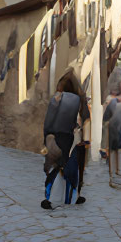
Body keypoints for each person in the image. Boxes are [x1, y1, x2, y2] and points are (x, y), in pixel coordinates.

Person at [41, 81, 89, 209]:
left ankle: (56, 198)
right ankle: (67, 198)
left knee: (58, 167)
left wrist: (46, 138)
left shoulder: (57, 99)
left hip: (59, 136)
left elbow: (48, 120)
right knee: (66, 167)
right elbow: (84, 118)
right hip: (68, 137)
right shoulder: (76, 100)